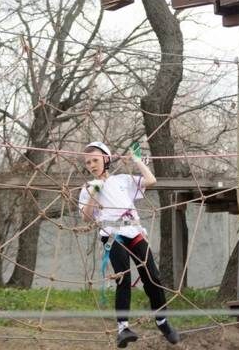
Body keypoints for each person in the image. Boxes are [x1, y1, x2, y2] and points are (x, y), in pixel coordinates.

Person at [79, 141, 180, 348]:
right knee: (123, 277)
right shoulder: (88, 187)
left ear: (106, 159)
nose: (91, 165)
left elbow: (151, 180)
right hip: (112, 234)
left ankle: (162, 320)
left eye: (95, 160)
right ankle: (123, 328)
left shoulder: (123, 180)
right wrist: (94, 193)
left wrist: (137, 161)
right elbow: (86, 217)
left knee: (152, 276)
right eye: (88, 162)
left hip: (133, 231)